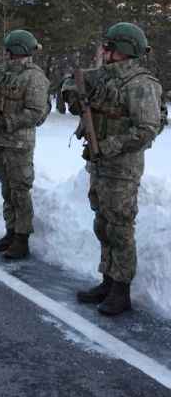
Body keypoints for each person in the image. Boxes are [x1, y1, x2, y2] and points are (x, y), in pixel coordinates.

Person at [63, 23, 163, 316]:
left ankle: (121, 289)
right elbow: (74, 82)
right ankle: (107, 279)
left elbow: (146, 129)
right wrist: (71, 90)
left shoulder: (141, 84)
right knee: (103, 224)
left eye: (108, 47)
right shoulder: (106, 76)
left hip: (122, 168)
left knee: (120, 228)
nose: (103, 51)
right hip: (100, 165)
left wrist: (108, 146)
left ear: (123, 50)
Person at [0, 30, 50, 258]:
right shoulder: (2, 73)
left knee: (20, 191)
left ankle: (22, 239)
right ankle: (10, 232)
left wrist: (8, 121)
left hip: (19, 144)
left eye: (9, 49)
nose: (6, 53)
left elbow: (36, 113)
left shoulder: (34, 77)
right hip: (0, 141)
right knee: (7, 190)